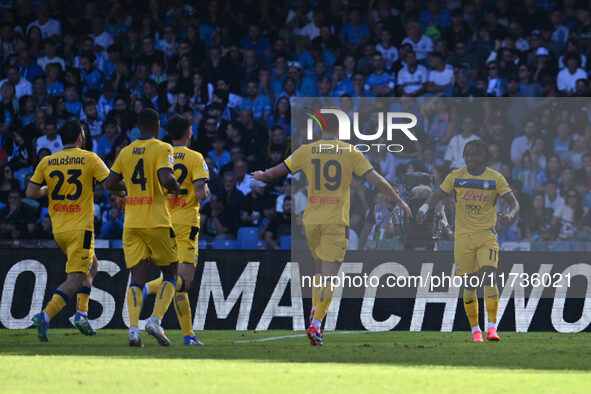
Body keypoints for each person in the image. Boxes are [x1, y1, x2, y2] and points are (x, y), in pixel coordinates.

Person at [251, 116, 411, 346]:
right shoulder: (349, 151)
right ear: (340, 129)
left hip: (311, 221)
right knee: (329, 276)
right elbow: (377, 181)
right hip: (335, 222)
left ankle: (316, 310)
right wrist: (400, 201)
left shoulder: (306, 150)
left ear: (319, 128)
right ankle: (316, 322)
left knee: (319, 271)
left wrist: (260, 175)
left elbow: (274, 173)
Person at [417, 140, 519, 342]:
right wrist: (423, 209)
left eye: (474, 154)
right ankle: (475, 330)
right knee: (470, 283)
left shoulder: (495, 178)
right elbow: (437, 195)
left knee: (489, 275)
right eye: (467, 155)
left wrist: (510, 215)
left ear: (483, 156)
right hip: (463, 238)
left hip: (486, 235)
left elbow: (514, 203)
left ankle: (492, 327)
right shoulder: (456, 177)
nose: (470, 158)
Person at [26, 119, 110, 341]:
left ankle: (81, 314)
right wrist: (123, 194)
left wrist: (46, 189)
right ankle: (46, 315)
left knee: (93, 266)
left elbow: (30, 193)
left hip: (59, 229)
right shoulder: (89, 158)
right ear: (81, 137)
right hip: (80, 228)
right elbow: (110, 182)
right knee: (76, 278)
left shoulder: (48, 161)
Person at [104, 108, 180, 347]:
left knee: (136, 279)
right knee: (171, 274)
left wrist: (126, 191)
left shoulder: (125, 151)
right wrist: (176, 187)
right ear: (157, 125)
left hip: (132, 223)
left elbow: (109, 183)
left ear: (139, 126)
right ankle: (155, 320)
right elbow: (166, 178)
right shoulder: (162, 147)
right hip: (157, 221)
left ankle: (134, 330)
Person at [142, 114, 210, 346]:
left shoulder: (160, 155)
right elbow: (201, 192)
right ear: (189, 133)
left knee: (175, 282)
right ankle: (146, 290)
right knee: (183, 280)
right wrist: (205, 190)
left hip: (162, 221)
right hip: (185, 224)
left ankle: (188, 335)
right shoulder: (195, 157)